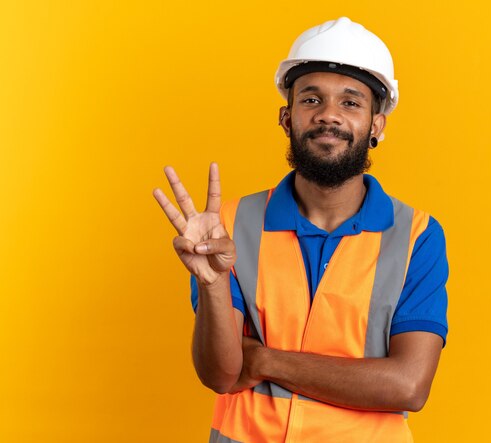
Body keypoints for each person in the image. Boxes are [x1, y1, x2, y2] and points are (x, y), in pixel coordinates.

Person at [154, 17, 449, 443]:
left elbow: (408, 386)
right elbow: (222, 375)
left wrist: (266, 361)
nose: (328, 115)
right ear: (286, 117)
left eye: (350, 102)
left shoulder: (417, 236)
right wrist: (215, 285)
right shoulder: (229, 226)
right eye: (311, 100)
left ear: (376, 125)